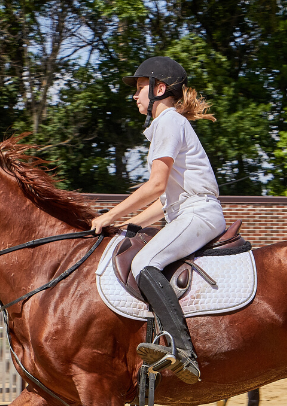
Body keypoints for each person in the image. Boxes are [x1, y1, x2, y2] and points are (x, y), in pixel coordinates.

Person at [92, 57, 225, 384]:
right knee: (143, 252)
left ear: (159, 88)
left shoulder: (167, 121)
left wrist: (109, 214)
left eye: (139, 88)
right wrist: (131, 224)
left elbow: (155, 185)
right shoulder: (169, 124)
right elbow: (165, 205)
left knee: (143, 263)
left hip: (199, 212)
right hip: (188, 211)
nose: (135, 96)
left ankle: (183, 352)